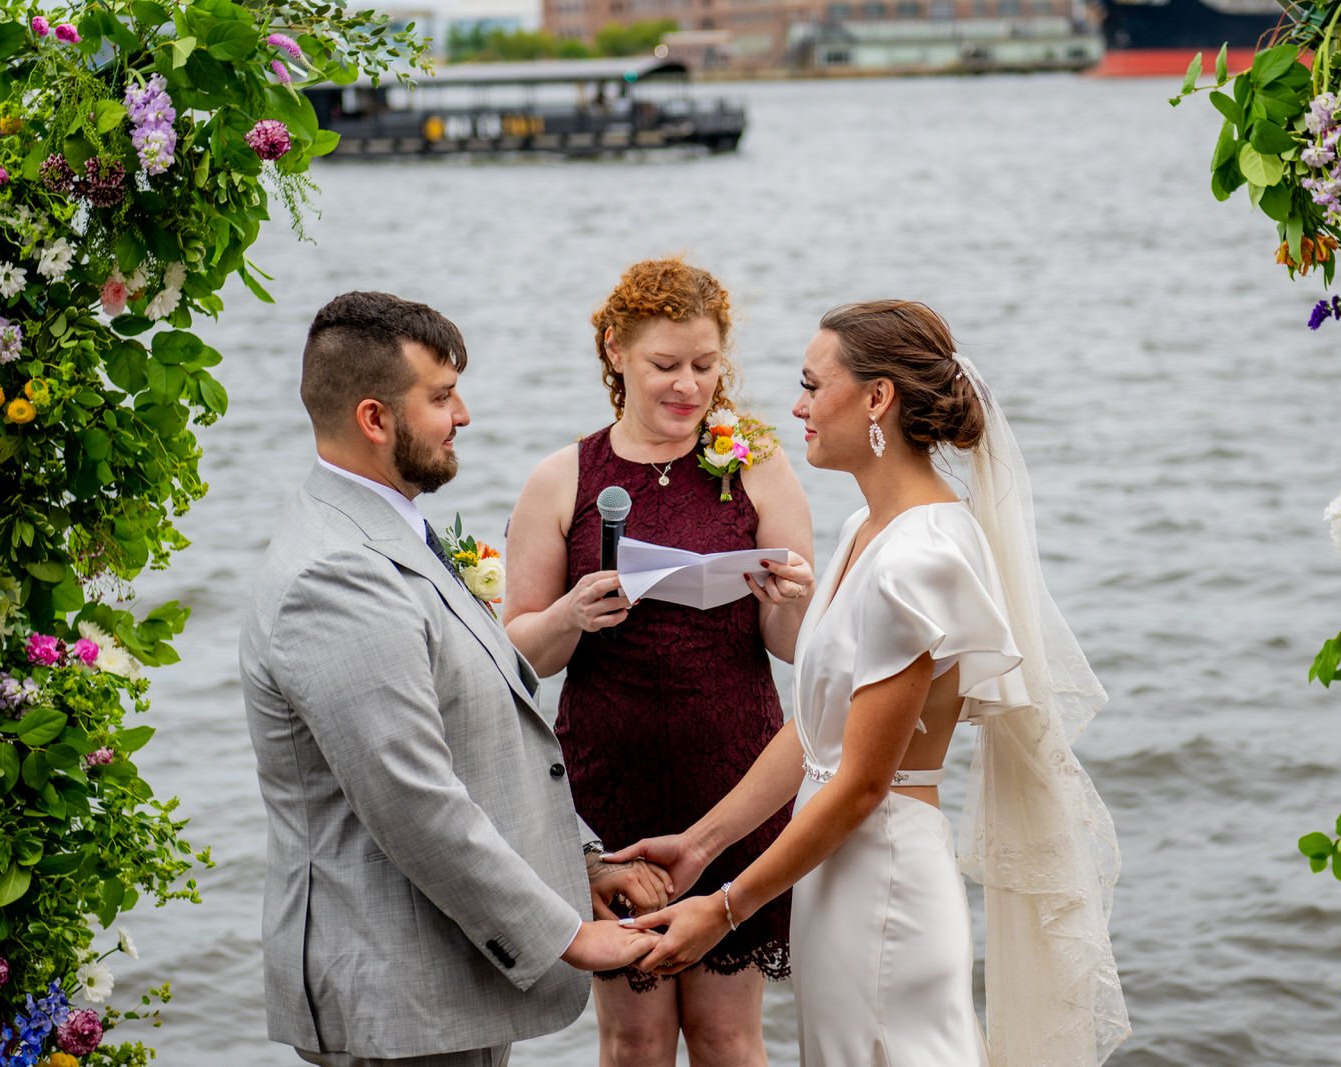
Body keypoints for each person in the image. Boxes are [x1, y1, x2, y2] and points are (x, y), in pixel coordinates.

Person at [610, 300, 1131, 1065]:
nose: (797, 406)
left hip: (883, 874)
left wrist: (724, 911)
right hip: (834, 870)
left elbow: (862, 783)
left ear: (877, 397)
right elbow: (817, 732)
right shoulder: (865, 529)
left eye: (813, 385)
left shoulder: (920, 555)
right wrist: (701, 843)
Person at [238, 291, 663, 1067]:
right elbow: (414, 798)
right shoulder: (336, 574)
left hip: (445, 974)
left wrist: (583, 865)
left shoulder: (390, 528)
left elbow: (490, 726)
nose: (463, 414)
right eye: (440, 397)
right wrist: (566, 931)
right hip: (396, 991)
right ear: (375, 419)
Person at [503, 259, 814, 1067]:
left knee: (726, 1034)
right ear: (615, 352)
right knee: (633, 1040)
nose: (688, 387)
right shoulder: (562, 478)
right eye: (665, 366)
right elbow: (513, 657)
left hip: (736, 777)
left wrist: (790, 598)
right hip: (611, 787)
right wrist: (571, 615)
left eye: (705, 367)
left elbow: (790, 646)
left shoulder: (757, 463)